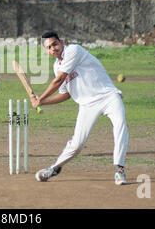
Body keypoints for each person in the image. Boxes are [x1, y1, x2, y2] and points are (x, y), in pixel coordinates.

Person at [30, 31, 129, 185]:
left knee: (120, 125)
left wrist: (40, 97)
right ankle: (55, 168)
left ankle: (120, 170)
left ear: (62, 42)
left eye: (55, 44)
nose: (53, 49)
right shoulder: (57, 66)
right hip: (87, 105)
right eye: (49, 47)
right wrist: (43, 102)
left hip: (108, 96)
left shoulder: (73, 50)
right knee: (77, 144)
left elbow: (59, 80)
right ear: (47, 51)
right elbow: (66, 94)